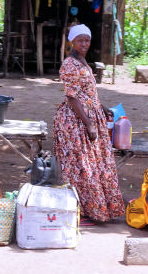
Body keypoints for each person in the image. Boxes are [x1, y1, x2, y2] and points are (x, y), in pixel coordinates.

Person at [53, 24, 124, 224]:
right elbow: (72, 98)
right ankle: (81, 210)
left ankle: (95, 209)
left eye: (87, 40)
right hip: (76, 122)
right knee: (81, 166)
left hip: (89, 117)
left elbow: (89, 92)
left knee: (95, 165)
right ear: (72, 42)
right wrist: (89, 125)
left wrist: (102, 108)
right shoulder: (69, 64)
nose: (84, 44)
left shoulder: (83, 62)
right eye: (80, 40)